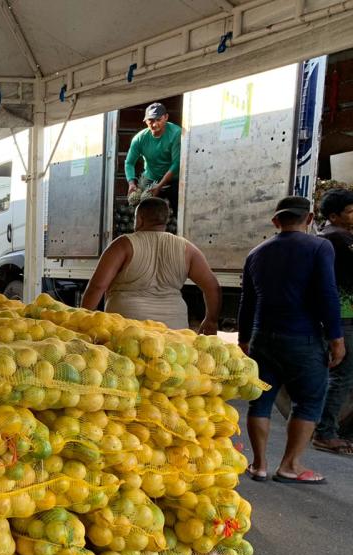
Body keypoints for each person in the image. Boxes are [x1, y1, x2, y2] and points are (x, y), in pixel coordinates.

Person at [238, 196, 345, 485]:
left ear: (276, 221)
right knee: (308, 402)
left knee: (261, 400)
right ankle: (290, 466)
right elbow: (327, 294)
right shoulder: (319, 247)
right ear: (309, 219)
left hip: (262, 339)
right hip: (303, 338)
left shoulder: (256, 253)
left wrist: (244, 338)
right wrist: (336, 337)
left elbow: (247, 301)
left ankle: (259, 465)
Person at [80, 197, 220, 332]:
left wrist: (81, 319)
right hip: (174, 329)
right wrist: (211, 320)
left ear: (139, 219)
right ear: (165, 220)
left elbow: (97, 286)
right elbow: (212, 287)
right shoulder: (187, 249)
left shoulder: (123, 245)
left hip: (127, 329)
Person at [312, 188, 353, 455]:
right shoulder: (338, 238)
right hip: (343, 315)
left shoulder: (326, 237)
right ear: (335, 216)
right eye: (350, 211)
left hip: (339, 315)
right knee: (343, 374)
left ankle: (336, 430)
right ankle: (326, 432)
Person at [125, 102, 182, 217]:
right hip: (151, 178)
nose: (154, 124)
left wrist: (160, 186)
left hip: (173, 179)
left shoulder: (176, 133)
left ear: (166, 117)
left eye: (158, 119)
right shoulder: (139, 139)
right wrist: (131, 183)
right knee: (144, 211)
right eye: (150, 120)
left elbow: (176, 164)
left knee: (179, 212)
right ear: (145, 121)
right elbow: (129, 163)